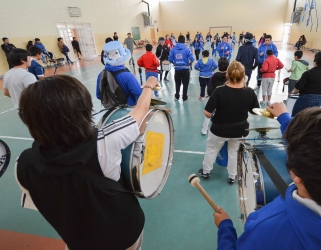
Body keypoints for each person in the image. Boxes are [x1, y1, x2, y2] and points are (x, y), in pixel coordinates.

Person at [16, 74, 159, 250]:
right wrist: (148, 86)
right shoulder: (107, 140)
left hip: (78, 241)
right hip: (124, 235)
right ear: (83, 108)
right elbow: (141, 109)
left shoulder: (22, 164)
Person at [213, 105, 321, 250]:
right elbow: (320, 153)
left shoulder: (266, 232)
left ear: (297, 175)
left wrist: (225, 229)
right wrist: (283, 118)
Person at [198, 60, 260, 184]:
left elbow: (207, 113)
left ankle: (206, 171)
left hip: (219, 130)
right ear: (244, 76)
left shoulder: (219, 91)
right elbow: (255, 111)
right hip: (240, 131)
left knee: (212, 149)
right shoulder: (249, 92)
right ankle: (232, 176)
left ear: (227, 75)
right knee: (233, 152)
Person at [96, 41, 142, 106]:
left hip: (112, 111)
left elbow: (99, 95)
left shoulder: (101, 75)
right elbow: (139, 94)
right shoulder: (128, 76)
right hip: (128, 110)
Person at [291, 52, 321, 116]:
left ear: (315, 61)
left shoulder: (308, 73)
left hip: (306, 97)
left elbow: (298, 86)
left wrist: (293, 92)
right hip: (320, 97)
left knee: (297, 116)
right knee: (311, 117)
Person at [201, 57, 229, 134]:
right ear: (228, 66)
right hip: (227, 99)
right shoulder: (229, 76)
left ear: (218, 65)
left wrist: (211, 95)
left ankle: (204, 130)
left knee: (208, 113)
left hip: (214, 98)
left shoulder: (214, 76)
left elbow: (209, 89)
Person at [168, 35, 195, 102]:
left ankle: (177, 96)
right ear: (184, 41)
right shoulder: (187, 49)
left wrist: (174, 63)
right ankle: (184, 97)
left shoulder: (173, 49)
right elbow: (192, 58)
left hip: (177, 70)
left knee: (177, 83)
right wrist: (189, 63)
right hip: (185, 70)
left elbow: (170, 59)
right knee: (185, 84)